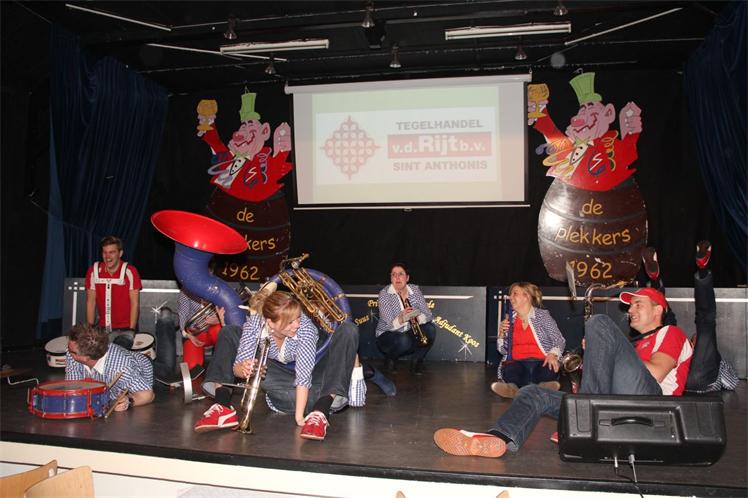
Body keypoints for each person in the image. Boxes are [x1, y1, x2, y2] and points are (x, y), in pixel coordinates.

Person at [434, 286, 693, 458]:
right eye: (631, 305)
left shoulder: (670, 333)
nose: (630, 310)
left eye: (638, 305)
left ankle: (583, 419)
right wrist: (597, 355)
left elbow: (655, 373)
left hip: (651, 407)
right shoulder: (634, 345)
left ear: (658, 309)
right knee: (531, 393)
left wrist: (609, 350)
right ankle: (498, 438)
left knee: (599, 322)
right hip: (611, 405)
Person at [195, 290, 360, 441]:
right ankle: (222, 406)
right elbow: (237, 368)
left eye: (298, 318)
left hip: (316, 388)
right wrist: (244, 368)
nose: (297, 324)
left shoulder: (306, 328)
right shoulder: (255, 324)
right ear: (270, 323)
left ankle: (320, 413)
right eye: (290, 322)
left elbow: (303, 377)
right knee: (229, 331)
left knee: (348, 329)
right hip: (282, 389)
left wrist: (299, 418)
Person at [643, 241, 739, 393]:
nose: (695, 339)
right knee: (697, 324)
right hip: (694, 377)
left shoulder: (701, 352)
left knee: (670, 325)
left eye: (694, 340)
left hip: (688, 378)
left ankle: (656, 282)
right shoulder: (703, 355)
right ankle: (701, 270)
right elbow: (732, 383)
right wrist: (719, 362)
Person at [492, 282, 565, 398]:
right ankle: (514, 389)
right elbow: (503, 351)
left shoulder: (542, 316)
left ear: (527, 297)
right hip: (518, 363)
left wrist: (552, 354)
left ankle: (540, 388)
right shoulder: (510, 320)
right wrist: (501, 334)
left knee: (549, 369)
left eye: (515, 294)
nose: (510, 297)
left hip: (541, 362)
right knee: (510, 369)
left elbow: (559, 340)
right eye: (511, 294)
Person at [65, 324, 154, 411]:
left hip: (142, 368)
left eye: (72, 352)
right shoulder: (73, 352)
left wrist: (128, 401)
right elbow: (73, 387)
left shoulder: (121, 368)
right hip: (114, 381)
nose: (68, 351)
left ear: (86, 358)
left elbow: (147, 394)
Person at [376, 263, 437, 375]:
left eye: (401, 274)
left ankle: (416, 361)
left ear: (407, 278)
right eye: (393, 274)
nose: (397, 277)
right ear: (391, 278)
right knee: (404, 340)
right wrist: (401, 318)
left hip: (408, 331)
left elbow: (428, 314)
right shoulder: (384, 294)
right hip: (387, 334)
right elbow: (389, 325)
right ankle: (390, 359)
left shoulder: (415, 290)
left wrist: (415, 317)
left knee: (430, 329)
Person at [85, 236, 142, 349]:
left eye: (112, 252)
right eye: (105, 252)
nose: (107, 257)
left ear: (120, 253)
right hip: (102, 328)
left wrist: (131, 330)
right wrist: (90, 329)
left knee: (118, 352)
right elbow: (90, 302)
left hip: (126, 328)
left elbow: (134, 303)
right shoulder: (93, 271)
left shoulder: (130, 271)